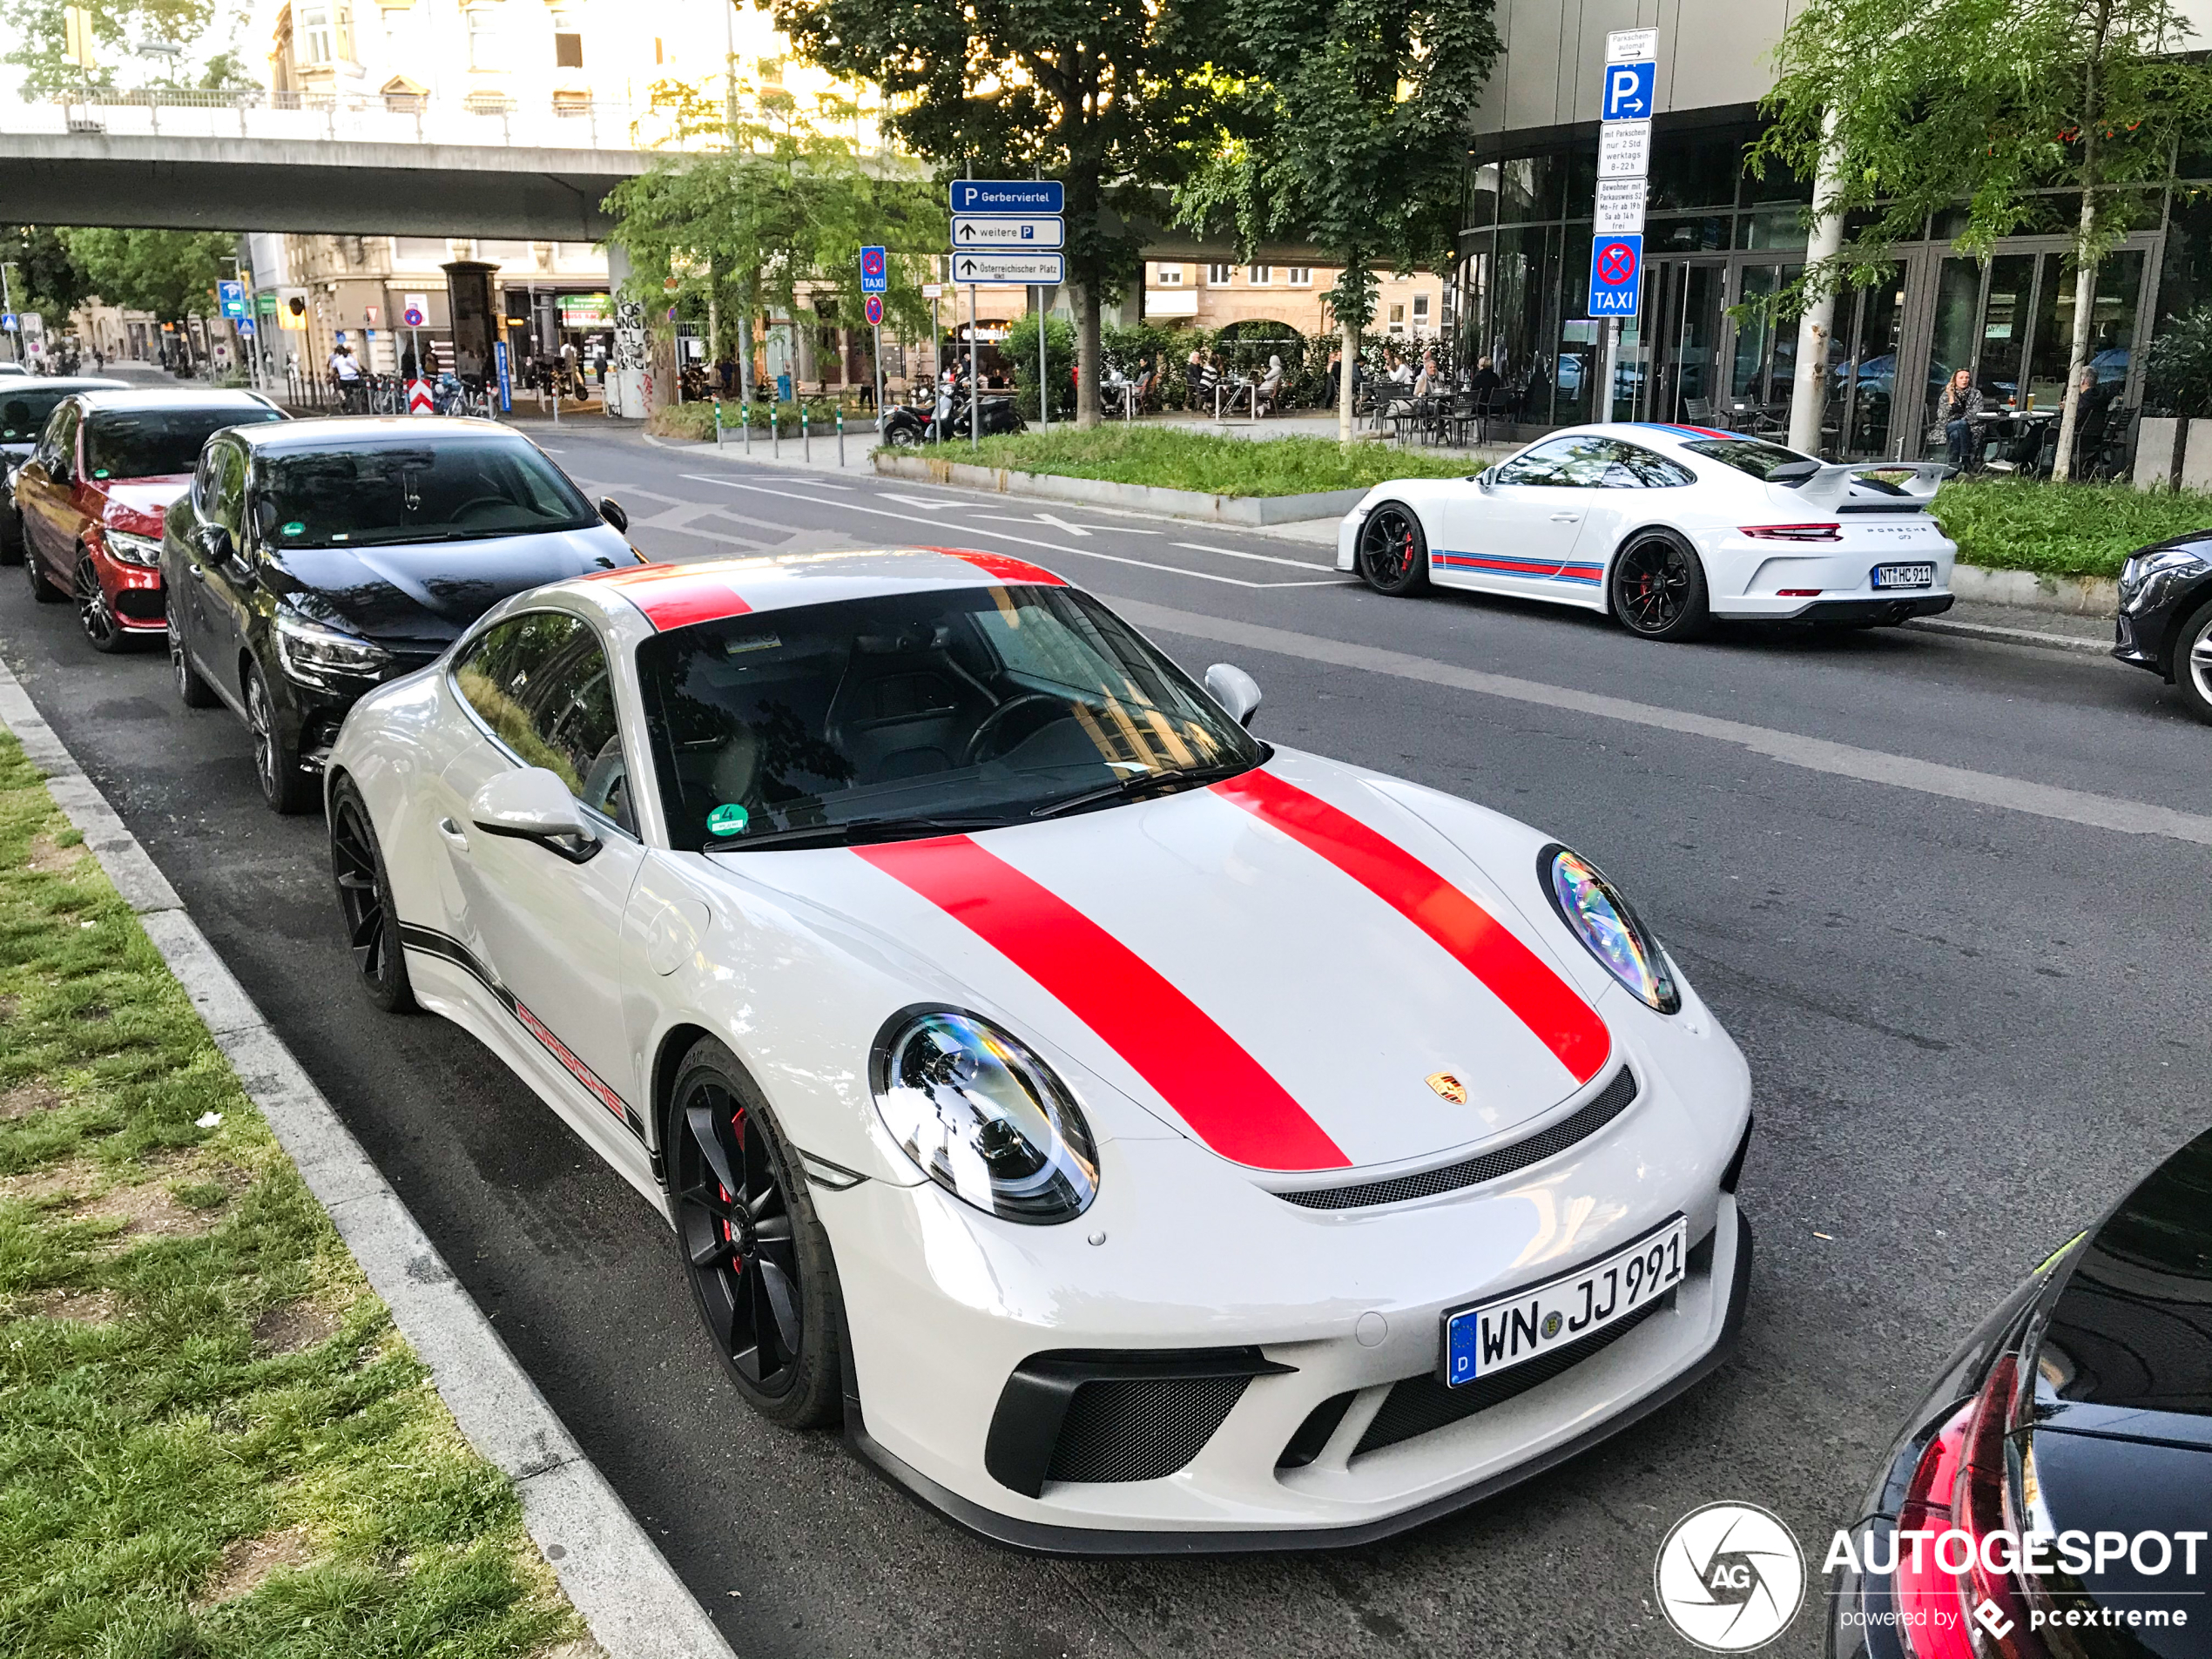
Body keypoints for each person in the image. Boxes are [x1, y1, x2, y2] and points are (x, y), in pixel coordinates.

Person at [1936, 368, 1983, 468]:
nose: (1964, 380)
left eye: (1967, 378)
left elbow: (1976, 413)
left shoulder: (1976, 394)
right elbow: (1942, 415)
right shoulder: (1946, 394)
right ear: (1955, 380)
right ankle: (1966, 459)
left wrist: (1962, 419)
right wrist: (1951, 397)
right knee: (1961, 424)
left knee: (1956, 434)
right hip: (1948, 426)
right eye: (1961, 378)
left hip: (1970, 427)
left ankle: (1952, 466)